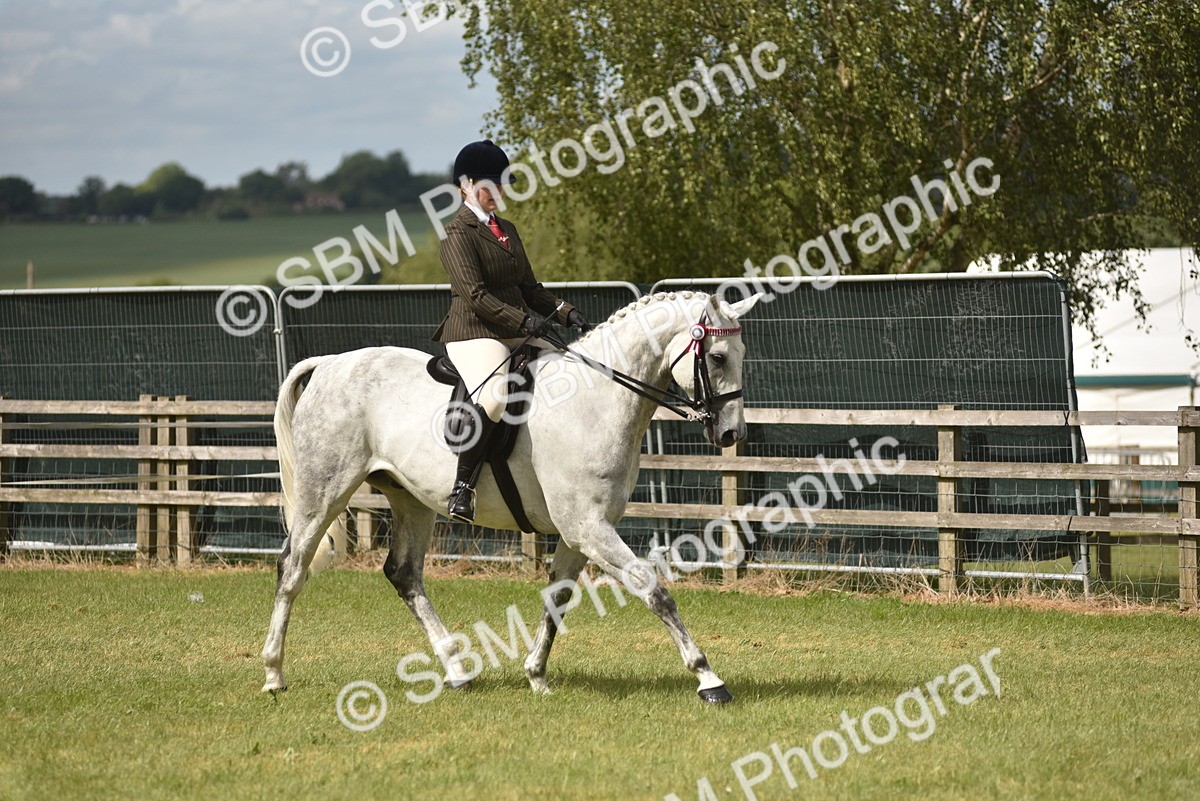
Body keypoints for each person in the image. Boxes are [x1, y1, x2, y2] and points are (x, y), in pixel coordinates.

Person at [432, 139, 591, 523]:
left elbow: (530, 290)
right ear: (467, 185)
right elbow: (475, 296)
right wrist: (523, 322)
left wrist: (567, 313)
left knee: (571, 370)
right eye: (491, 185)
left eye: (502, 185)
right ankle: (463, 487)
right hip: (474, 331)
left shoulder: (508, 230)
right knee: (495, 397)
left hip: (516, 326)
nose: (499, 193)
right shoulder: (456, 233)